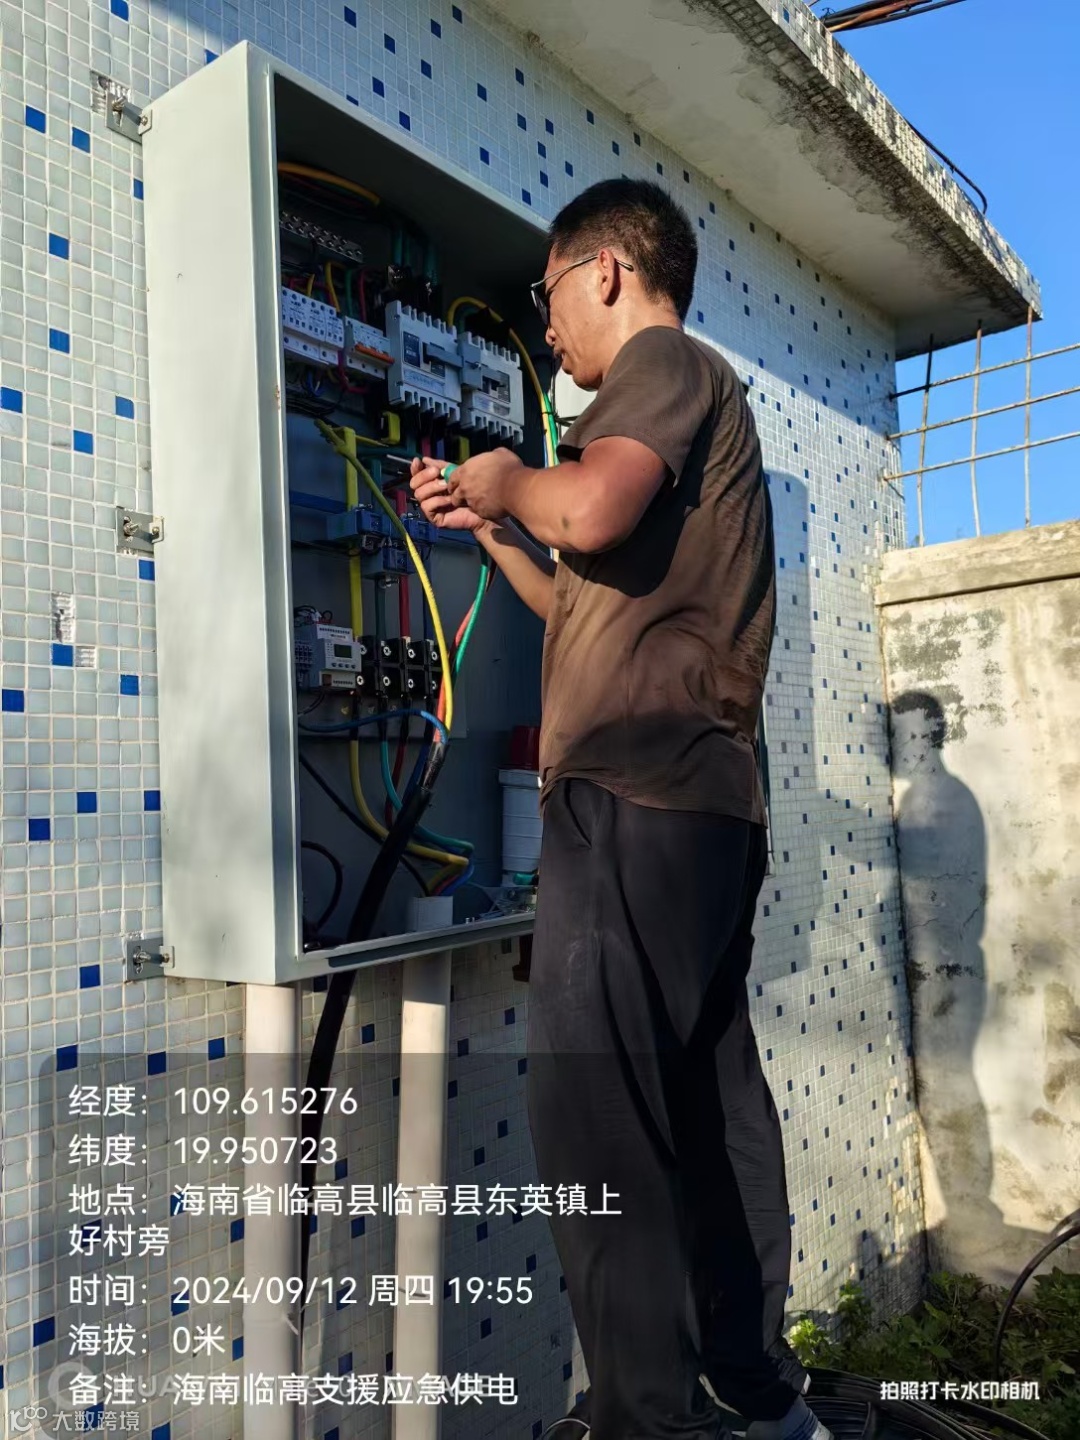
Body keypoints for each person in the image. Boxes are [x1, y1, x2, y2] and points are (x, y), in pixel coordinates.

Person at [410, 179, 832, 1440]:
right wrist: (495, 527)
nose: (548, 331)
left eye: (549, 295)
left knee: (597, 1116)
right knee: (703, 1098)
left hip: (634, 798)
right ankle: (756, 1390)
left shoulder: (661, 366)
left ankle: (643, 1418)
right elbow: (580, 602)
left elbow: (588, 505)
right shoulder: (686, 418)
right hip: (697, 810)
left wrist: (507, 475)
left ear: (604, 271)